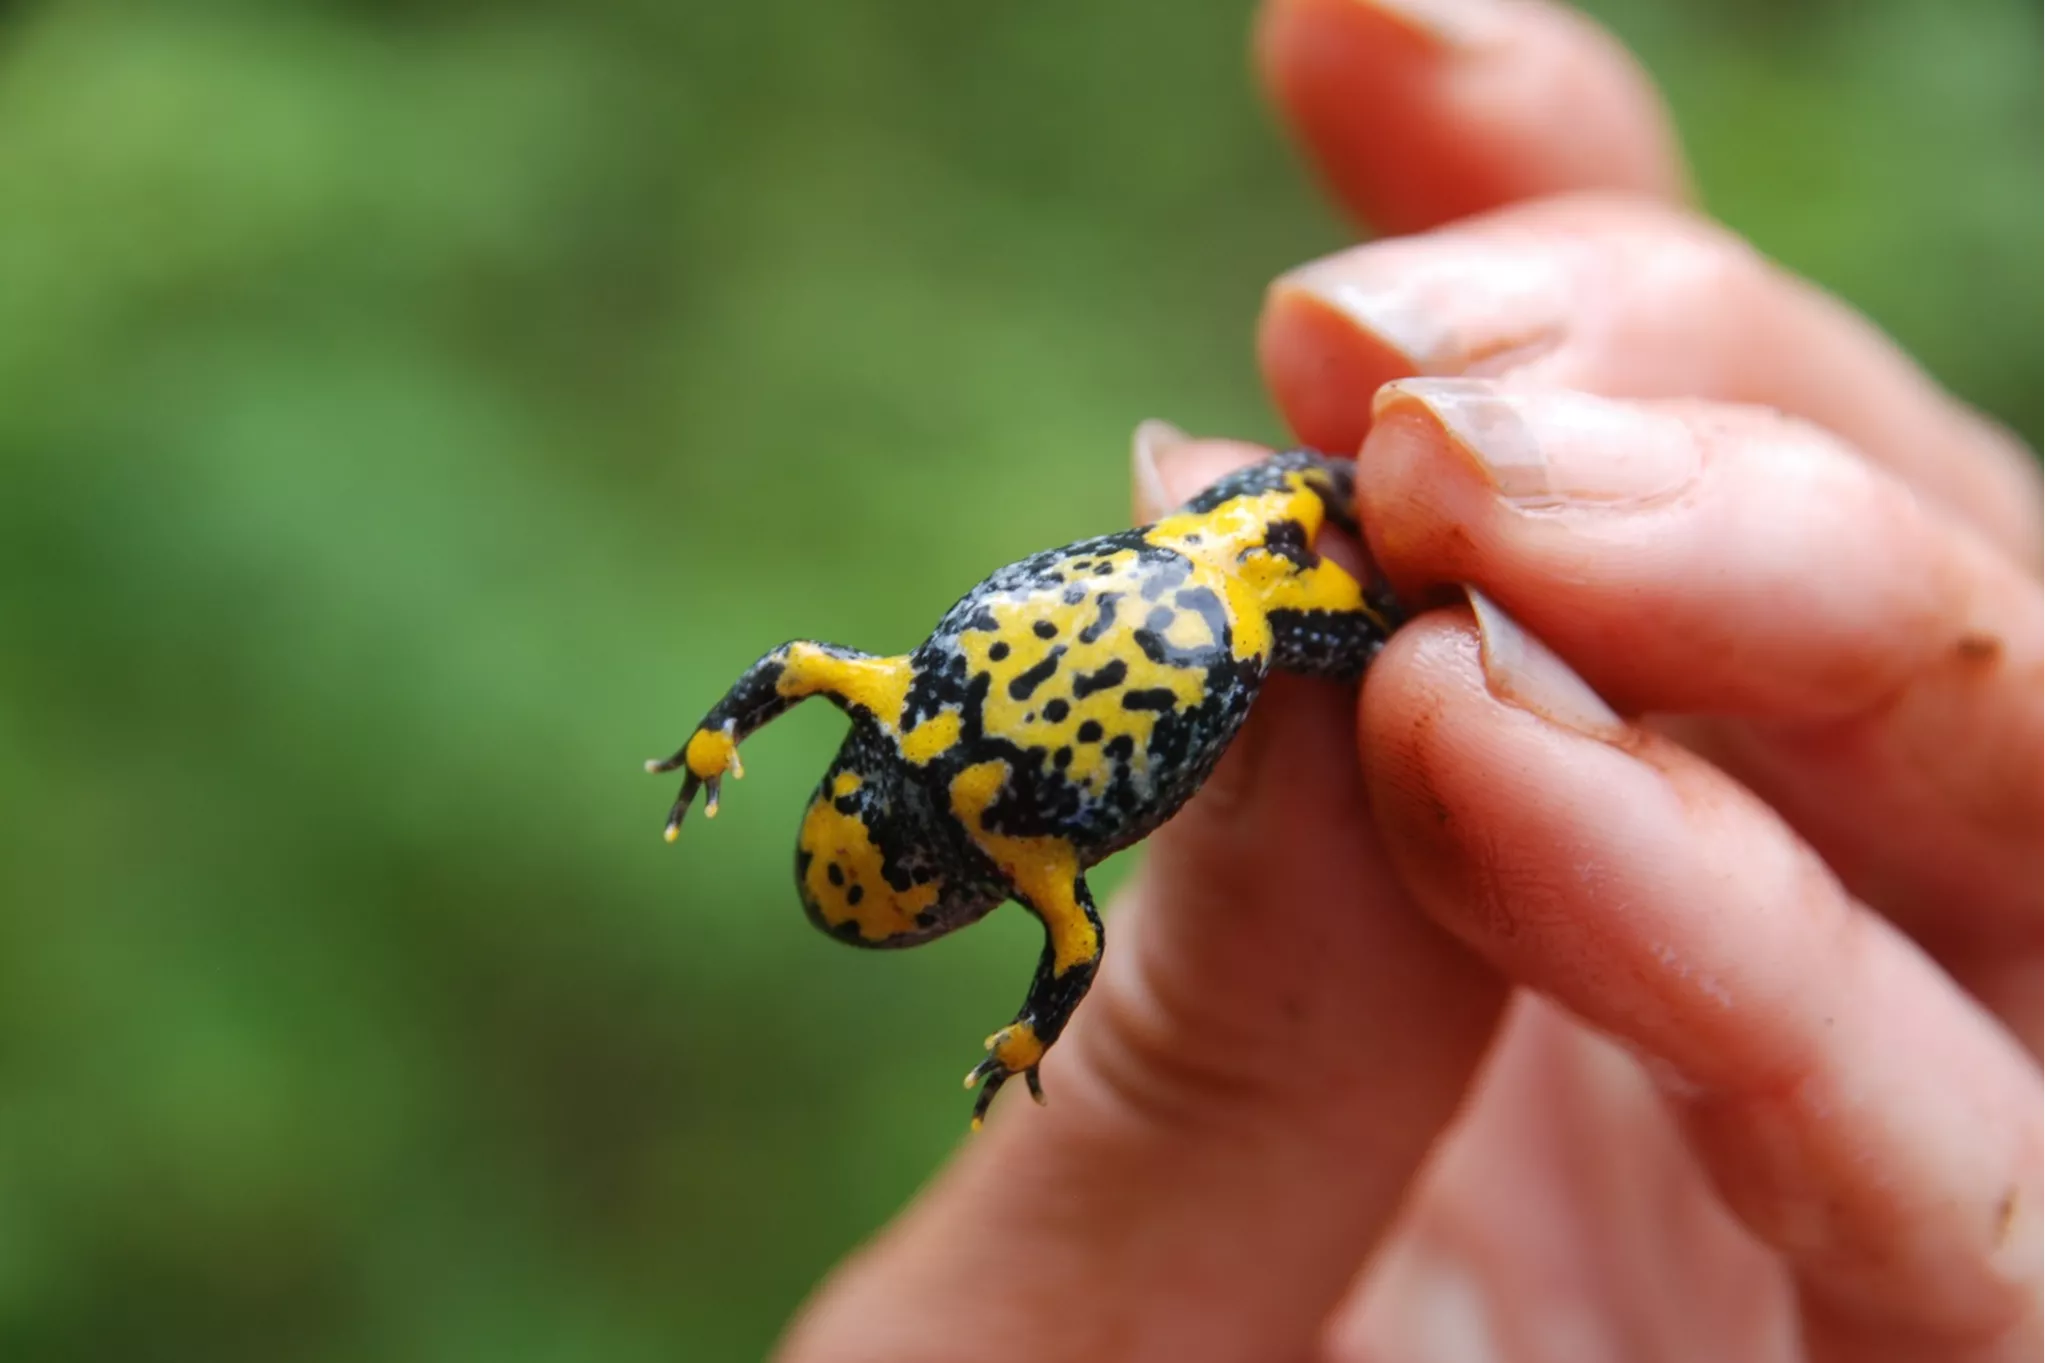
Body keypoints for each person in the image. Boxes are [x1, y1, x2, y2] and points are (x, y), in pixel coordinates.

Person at [778, 0, 2046, 1357]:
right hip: (1219, 595)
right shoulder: (945, 756)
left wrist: (1029, 1036)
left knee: (1397, 643)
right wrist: (1035, 1038)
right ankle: (1423, 563)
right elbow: (1051, 933)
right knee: (1389, 644)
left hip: (1214, 604)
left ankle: (1430, 559)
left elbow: (1052, 934)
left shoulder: (972, 788)